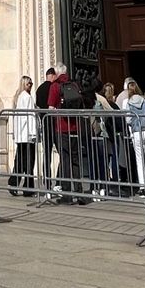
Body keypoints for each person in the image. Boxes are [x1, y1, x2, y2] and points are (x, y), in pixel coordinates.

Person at [47, 63, 89, 205]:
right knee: (76, 160)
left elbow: (51, 108)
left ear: (57, 73)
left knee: (65, 161)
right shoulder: (75, 85)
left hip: (61, 128)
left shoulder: (55, 86)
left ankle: (66, 195)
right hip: (75, 127)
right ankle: (79, 193)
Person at [8, 76, 38, 196]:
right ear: (24, 84)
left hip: (21, 136)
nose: (30, 85)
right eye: (28, 83)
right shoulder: (27, 97)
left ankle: (14, 183)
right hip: (27, 135)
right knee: (29, 162)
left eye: (31, 83)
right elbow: (30, 117)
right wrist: (33, 133)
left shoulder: (19, 97)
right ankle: (28, 188)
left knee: (20, 160)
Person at [34, 66, 58, 193]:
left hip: (45, 123)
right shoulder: (54, 87)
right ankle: (59, 180)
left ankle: (47, 180)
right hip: (55, 124)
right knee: (64, 152)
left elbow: (38, 106)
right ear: (53, 76)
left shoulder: (39, 89)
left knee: (46, 153)